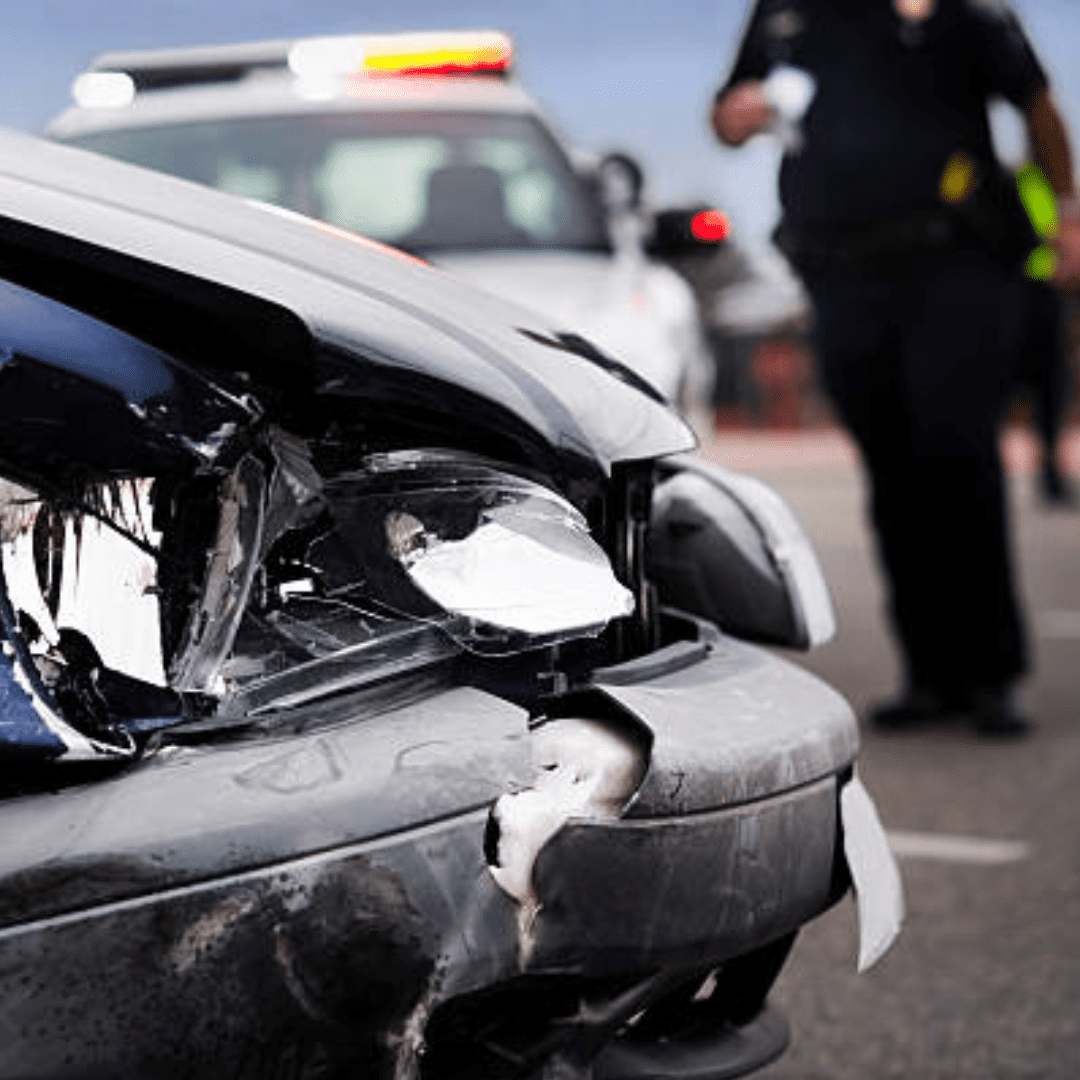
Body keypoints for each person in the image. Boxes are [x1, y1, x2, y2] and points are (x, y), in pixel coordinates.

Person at [712, 0, 1080, 735]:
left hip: (955, 267)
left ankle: (990, 672)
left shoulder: (965, 12)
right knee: (892, 468)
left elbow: (1036, 103)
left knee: (957, 453)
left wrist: (1066, 213)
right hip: (839, 273)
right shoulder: (788, 12)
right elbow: (727, 117)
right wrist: (740, 116)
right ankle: (929, 672)